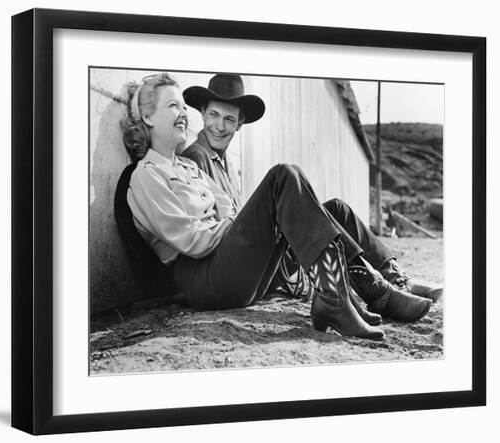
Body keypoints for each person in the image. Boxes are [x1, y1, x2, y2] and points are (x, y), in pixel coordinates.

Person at [121, 72, 434, 341]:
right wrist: (250, 222)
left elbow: (226, 205)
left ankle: (367, 290)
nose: (183, 113)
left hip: (226, 267)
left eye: (182, 105)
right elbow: (194, 241)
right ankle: (345, 297)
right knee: (284, 176)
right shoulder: (147, 176)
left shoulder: (188, 169)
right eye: (172, 105)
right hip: (204, 281)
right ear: (148, 118)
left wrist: (248, 221)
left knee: (332, 208)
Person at [181, 73, 443, 307]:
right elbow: (209, 234)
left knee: (336, 209)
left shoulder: (225, 162)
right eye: (214, 115)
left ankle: (395, 276)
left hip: (251, 259)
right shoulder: (195, 158)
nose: (220, 126)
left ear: (239, 124)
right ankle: (375, 287)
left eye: (229, 119)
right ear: (202, 113)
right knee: (291, 187)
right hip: (234, 270)